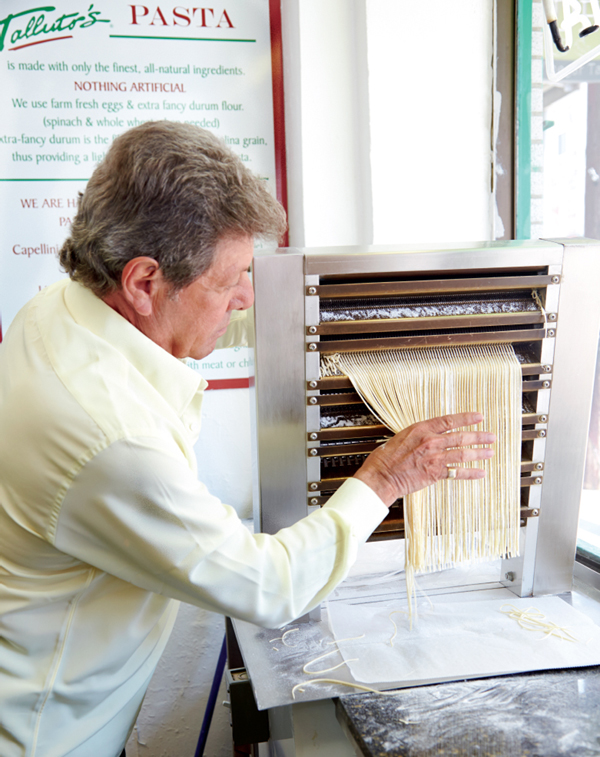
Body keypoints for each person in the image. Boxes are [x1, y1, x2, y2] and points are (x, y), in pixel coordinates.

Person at [0, 121, 495, 757]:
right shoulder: (108, 437)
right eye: (231, 277)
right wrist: (386, 479)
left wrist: (377, 317)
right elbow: (269, 586)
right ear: (145, 282)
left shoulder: (59, 309)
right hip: (49, 736)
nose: (246, 295)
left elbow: (219, 321)